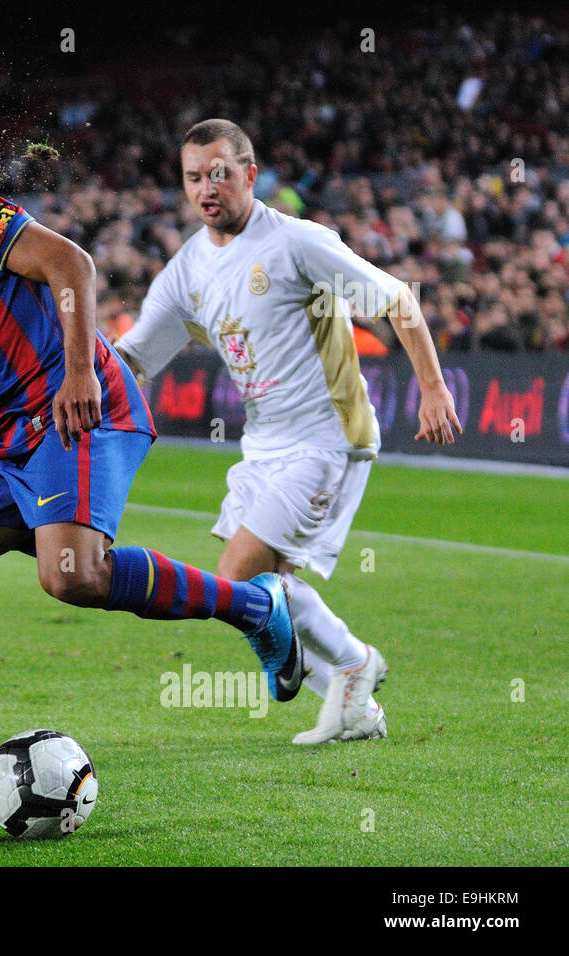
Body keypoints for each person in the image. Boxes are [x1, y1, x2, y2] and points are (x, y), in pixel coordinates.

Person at [0, 109, 304, 814]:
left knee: (72, 576)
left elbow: (71, 262)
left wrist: (79, 373)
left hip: (79, 411)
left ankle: (258, 606)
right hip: (9, 442)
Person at [114, 119, 463, 745]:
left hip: (327, 437)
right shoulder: (188, 269)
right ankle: (353, 705)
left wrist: (434, 388)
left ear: (251, 175)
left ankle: (354, 662)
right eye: (194, 177)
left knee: (241, 572)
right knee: (254, 587)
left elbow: (397, 303)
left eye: (219, 173)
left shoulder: (298, 242)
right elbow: (132, 357)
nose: (206, 188)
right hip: (263, 447)